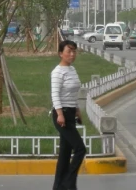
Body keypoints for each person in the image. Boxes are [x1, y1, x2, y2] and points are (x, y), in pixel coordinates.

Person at [51, 40, 86, 190]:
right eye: (68, 51)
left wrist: (77, 110)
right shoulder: (57, 72)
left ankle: (58, 186)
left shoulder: (72, 70)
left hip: (71, 113)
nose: (72, 54)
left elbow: (73, 93)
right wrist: (60, 114)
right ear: (60, 54)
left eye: (74, 51)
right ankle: (69, 183)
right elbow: (55, 94)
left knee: (65, 154)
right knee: (80, 149)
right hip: (61, 115)